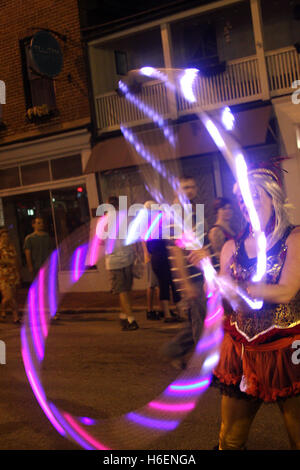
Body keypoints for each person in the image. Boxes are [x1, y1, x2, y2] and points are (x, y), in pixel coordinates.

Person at [211, 167, 300, 450]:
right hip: (242, 351)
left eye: (254, 196)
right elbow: (222, 294)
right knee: (230, 440)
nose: (246, 205)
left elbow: (286, 291)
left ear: (273, 197)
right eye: (242, 200)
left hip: (288, 351)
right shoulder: (230, 247)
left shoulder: (294, 239)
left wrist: (241, 288)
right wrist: (212, 283)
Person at [102, 196, 139, 331]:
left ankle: (131, 319)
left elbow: (100, 240)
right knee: (126, 289)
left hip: (114, 260)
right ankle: (124, 316)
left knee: (121, 290)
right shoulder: (127, 218)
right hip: (128, 257)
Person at [0, 227, 21, 323]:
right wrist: (8, 261)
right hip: (3, 275)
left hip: (12, 275)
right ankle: (3, 309)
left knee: (12, 296)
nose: (6, 238)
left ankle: (15, 317)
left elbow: (15, 260)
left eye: (7, 236)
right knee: (8, 297)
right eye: (3, 236)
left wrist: (18, 273)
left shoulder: (11, 247)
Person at [208, 197, 235, 267]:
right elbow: (218, 257)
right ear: (217, 212)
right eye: (223, 209)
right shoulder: (215, 231)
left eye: (229, 208)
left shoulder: (233, 228)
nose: (228, 211)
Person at [24, 216, 52, 280]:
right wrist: (30, 266)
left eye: (42, 223)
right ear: (33, 225)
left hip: (46, 264)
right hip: (36, 265)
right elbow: (27, 253)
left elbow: (50, 250)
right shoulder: (29, 238)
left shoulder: (47, 236)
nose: (41, 224)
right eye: (39, 223)